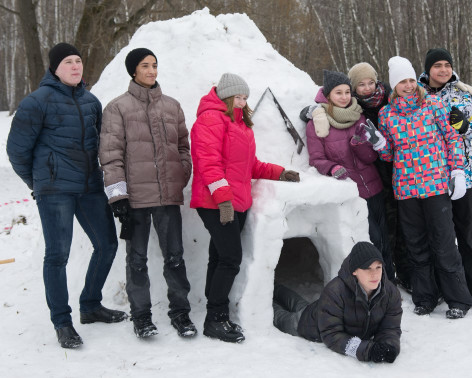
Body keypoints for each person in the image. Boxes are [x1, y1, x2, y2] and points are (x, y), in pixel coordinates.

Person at [6, 43, 126, 349]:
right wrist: (38, 182)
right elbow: (16, 151)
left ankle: (90, 305)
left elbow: (100, 144)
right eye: (68, 62)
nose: (76, 66)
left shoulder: (91, 102)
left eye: (78, 61)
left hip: (89, 187)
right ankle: (62, 321)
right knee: (57, 255)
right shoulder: (37, 102)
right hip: (55, 190)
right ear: (55, 68)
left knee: (107, 244)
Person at [191, 73, 300, 343]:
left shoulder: (240, 125)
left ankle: (215, 309)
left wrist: (279, 173)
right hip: (215, 201)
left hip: (236, 202)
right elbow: (208, 163)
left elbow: (250, 166)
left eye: (245, 98)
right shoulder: (210, 120)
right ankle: (215, 319)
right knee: (230, 258)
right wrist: (223, 199)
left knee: (219, 257)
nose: (242, 102)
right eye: (238, 97)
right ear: (226, 96)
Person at [99, 48, 195, 339]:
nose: (152, 70)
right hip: (136, 200)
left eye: (155, 65)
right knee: (136, 260)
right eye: (145, 66)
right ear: (133, 71)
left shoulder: (172, 106)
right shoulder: (117, 108)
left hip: (167, 196)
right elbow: (111, 156)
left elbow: (183, 147)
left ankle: (181, 314)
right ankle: (141, 317)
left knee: (175, 257)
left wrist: (181, 173)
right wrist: (118, 197)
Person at [378, 56, 472, 319]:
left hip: (436, 186)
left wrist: (457, 171)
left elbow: (453, 138)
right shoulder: (386, 114)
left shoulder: (434, 105)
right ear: (394, 85)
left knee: (444, 243)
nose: (408, 86)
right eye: (402, 82)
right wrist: (377, 144)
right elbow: (388, 155)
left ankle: (458, 299)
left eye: (410, 80)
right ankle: (425, 297)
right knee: (415, 245)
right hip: (406, 189)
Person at [418, 48, 472, 312]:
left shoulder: (463, 96)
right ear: (427, 69)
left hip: (463, 177)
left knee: (468, 234)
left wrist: (463, 125)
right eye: (437, 65)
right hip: (429, 179)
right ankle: (443, 287)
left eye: (447, 65)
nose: (443, 70)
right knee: (438, 238)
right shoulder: (416, 96)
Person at [305, 70, 391, 280]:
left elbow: (370, 158)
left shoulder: (358, 116)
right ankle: (374, 280)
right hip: (353, 191)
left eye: (346, 92)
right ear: (327, 95)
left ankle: (389, 279)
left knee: (385, 238)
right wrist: (332, 168)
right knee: (371, 238)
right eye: (338, 93)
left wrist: (360, 144)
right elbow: (316, 158)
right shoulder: (317, 121)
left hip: (375, 187)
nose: (344, 97)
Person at [272, 242, 402, 363]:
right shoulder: (335, 290)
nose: (374, 274)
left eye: (378, 267)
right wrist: (367, 350)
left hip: (321, 309)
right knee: (278, 315)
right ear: (355, 271)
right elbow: (332, 334)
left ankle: (275, 287)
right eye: (368, 269)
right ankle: (267, 293)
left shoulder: (390, 293)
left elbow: (390, 327)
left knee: (297, 303)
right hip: (309, 324)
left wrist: (389, 346)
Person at [347, 62, 403, 284]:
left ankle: (406, 270)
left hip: (402, 168)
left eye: (371, 82)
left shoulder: (391, 99)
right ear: (354, 88)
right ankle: (388, 272)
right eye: (361, 84)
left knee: (405, 224)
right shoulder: (354, 108)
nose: (368, 88)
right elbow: (329, 101)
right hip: (376, 174)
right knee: (386, 226)